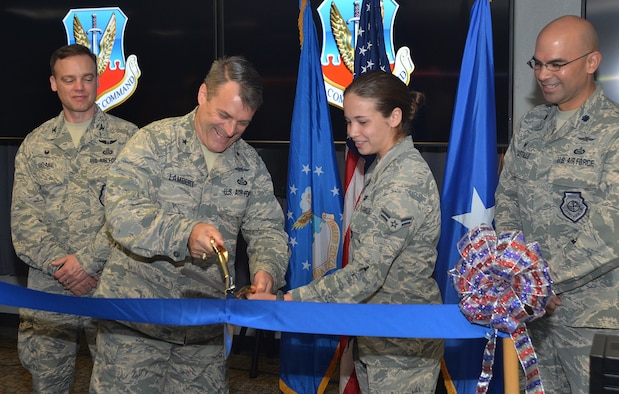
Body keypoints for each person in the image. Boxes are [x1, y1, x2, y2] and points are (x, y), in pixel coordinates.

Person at [89, 55, 290, 393]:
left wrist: (266, 272)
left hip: (202, 331)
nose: (229, 131)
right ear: (202, 94)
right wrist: (185, 233)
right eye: (223, 115)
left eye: (242, 123)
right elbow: (122, 213)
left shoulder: (250, 166)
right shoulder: (153, 142)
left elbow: (267, 229)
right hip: (136, 323)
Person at [249, 70, 444, 393]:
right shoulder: (385, 168)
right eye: (348, 122)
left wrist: (288, 301)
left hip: (402, 343)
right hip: (379, 333)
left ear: (394, 117)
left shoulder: (403, 179)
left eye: (362, 122)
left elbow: (366, 273)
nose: (352, 132)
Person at [495, 15, 619, 393]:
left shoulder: (613, 131)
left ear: (591, 63)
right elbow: (507, 201)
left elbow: (610, 230)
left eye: (556, 64)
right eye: (538, 63)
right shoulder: (532, 125)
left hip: (593, 321)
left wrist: (542, 283)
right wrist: (522, 278)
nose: (544, 74)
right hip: (534, 317)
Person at [10, 43, 138, 393]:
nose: (79, 87)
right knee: (48, 383)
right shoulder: (35, 145)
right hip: (50, 292)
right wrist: (63, 268)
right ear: (54, 83)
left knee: (120, 383)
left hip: (111, 283)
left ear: (98, 80)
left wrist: (87, 262)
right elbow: (24, 222)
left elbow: (135, 216)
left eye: (86, 78)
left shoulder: (131, 140)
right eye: (69, 79)